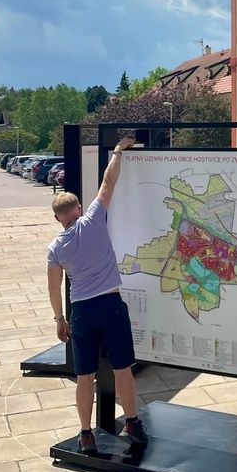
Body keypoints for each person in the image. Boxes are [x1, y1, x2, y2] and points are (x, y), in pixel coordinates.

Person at [47, 136, 148, 454]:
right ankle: (132, 422)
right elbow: (108, 181)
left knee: (84, 377)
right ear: (78, 208)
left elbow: (54, 286)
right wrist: (118, 150)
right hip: (110, 305)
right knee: (122, 369)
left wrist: (60, 319)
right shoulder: (92, 219)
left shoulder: (55, 248)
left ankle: (86, 433)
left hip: (81, 312)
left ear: (58, 218)